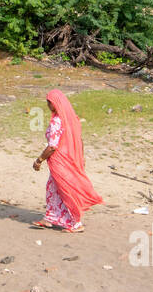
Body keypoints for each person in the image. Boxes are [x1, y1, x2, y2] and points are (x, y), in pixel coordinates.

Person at [32, 90, 103, 233]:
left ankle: (75, 223)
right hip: (71, 158)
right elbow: (79, 141)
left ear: (55, 104)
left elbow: (52, 146)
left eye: (49, 103)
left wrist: (39, 160)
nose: (47, 106)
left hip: (61, 161)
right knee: (53, 188)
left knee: (65, 190)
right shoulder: (71, 119)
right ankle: (50, 218)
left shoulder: (57, 121)